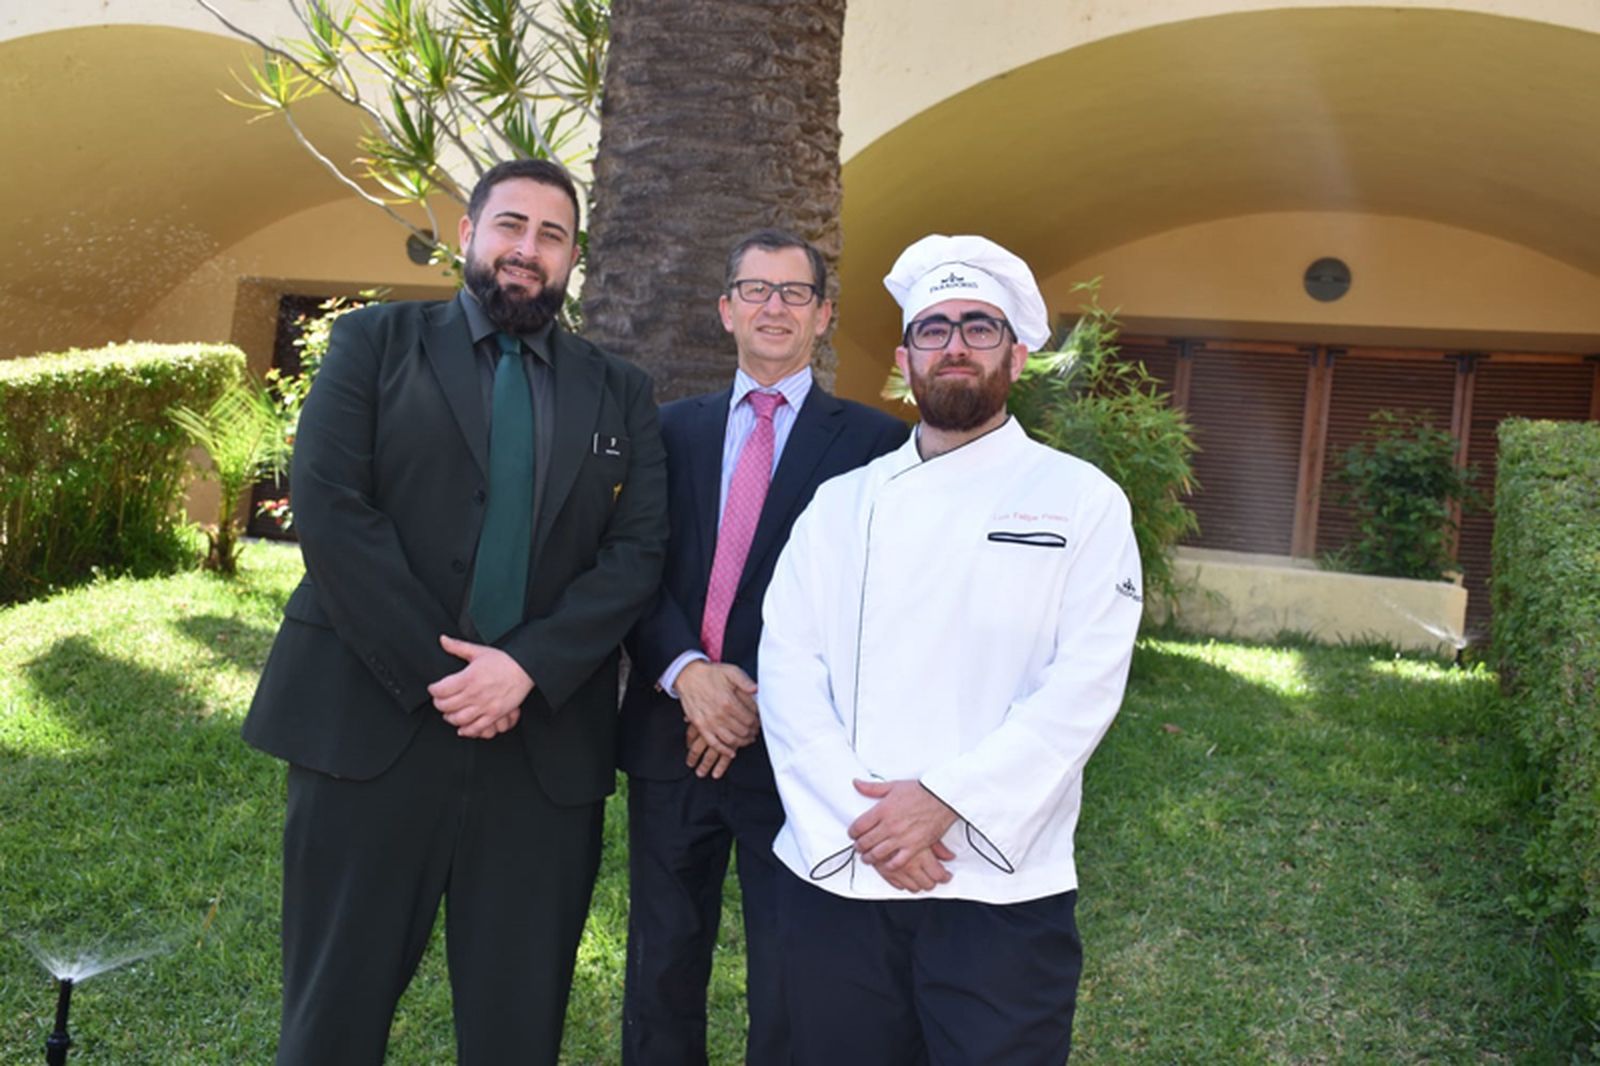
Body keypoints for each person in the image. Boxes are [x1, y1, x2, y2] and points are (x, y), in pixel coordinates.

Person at [242, 158, 668, 1065]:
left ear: (572, 259)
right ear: (468, 234)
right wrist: (454, 678)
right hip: (370, 728)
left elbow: (636, 554)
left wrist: (525, 670)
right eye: (510, 225)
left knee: (517, 1028)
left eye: (551, 236)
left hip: (542, 750)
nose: (527, 249)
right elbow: (331, 510)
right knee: (331, 1019)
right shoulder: (373, 344)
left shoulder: (620, 390)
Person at [757, 234, 1144, 1064]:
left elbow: (1083, 687)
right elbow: (788, 672)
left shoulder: (1082, 503)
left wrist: (944, 800)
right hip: (843, 871)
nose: (955, 345)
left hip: (1000, 886)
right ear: (905, 358)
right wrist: (870, 822)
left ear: (1018, 353)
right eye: (934, 329)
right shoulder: (838, 505)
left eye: (979, 327)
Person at [617, 228, 908, 1065]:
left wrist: (754, 703)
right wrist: (689, 677)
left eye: (793, 293)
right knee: (662, 965)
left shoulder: (875, 448)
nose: (773, 306)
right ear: (725, 310)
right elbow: (637, 567)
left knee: (793, 973)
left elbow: (870, 606)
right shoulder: (667, 432)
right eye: (755, 289)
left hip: (798, 751)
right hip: (672, 735)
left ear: (822, 317)